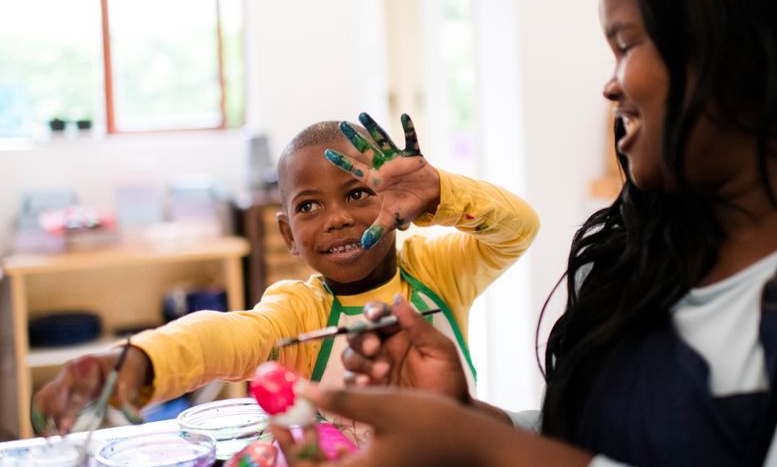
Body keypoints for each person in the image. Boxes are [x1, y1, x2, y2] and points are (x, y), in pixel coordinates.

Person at [269, 0, 777, 467]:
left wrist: (481, 450)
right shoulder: (629, 246)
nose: (610, 86)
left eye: (626, 44)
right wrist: (471, 418)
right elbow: (579, 448)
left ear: (744, 48)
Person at [31, 113, 539, 441]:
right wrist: (140, 359)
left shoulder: (438, 270)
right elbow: (224, 336)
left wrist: (440, 193)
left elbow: (517, 227)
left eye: (358, 193)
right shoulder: (298, 310)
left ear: (394, 196)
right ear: (288, 234)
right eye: (310, 205)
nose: (337, 217)